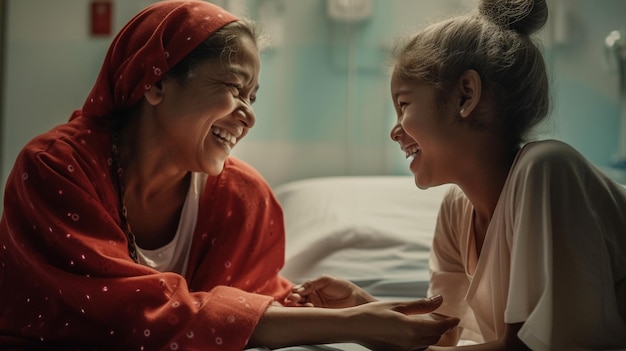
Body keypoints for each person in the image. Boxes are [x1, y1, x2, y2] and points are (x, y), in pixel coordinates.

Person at [0, 1, 460, 350]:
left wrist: (306, 305)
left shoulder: (244, 198)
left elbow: (243, 305)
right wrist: (353, 326)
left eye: (253, 98)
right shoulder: (53, 169)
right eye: (233, 89)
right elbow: (123, 314)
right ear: (155, 81)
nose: (247, 116)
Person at [382, 0, 626, 349]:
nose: (395, 131)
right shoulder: (456, 209)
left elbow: (527, 347)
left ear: (466, 95)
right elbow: (444, 332)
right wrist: (357, 313)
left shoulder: (547, 169)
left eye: (403, 105)